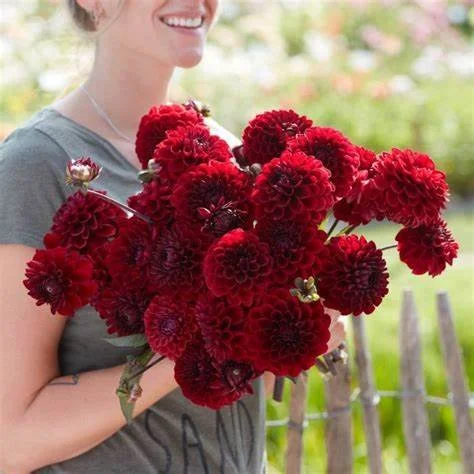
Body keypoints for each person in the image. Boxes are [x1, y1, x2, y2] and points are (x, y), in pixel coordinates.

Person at [0, 1, 346, 473]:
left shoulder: (228, 152)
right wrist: (186, 351)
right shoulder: (37, 165)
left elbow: (245, 392)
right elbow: (12, 439)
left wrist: (291, 331)